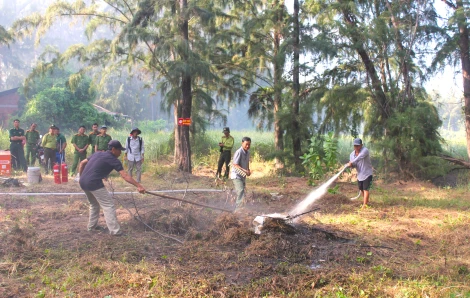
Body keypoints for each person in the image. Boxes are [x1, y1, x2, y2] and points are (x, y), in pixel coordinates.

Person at [78, 140, 146, 235]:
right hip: (94, 183)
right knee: (108, 205)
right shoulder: (114, 160)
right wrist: (139, 185)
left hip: (83, 182)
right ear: (113, 149)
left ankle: (91, 227)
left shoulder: (97, 154)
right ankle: (115, 231)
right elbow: (125, 176)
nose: (120, 153)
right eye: (119, 150)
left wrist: (82, 177)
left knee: (94, 204)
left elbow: (82, 163)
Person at [347, 138, 373, 208]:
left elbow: (359, 158)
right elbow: (354, 165)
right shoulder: (352, 154)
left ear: (361, 145)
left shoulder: (365, 151)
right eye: (355, 146)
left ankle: (365, 205)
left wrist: (351, 162)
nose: (356, 147)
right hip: (360, 174)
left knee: (366, 189)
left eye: (358, 146)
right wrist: (350, 165)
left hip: (367, 173)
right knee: (361, 189)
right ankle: (366, 201)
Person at [231, 137, 251, 209]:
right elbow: (235, 165)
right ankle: (238, 211)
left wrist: (248, 170)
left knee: (243, 192)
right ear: (242, 143)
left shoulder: (248, 153)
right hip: (236, 175)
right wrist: (244, 170)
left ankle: (242, 209)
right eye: (246, 144)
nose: (247, 146)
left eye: (249, 144)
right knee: (241, 191)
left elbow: (247, 163)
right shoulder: (238, 152)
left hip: (242, 176)